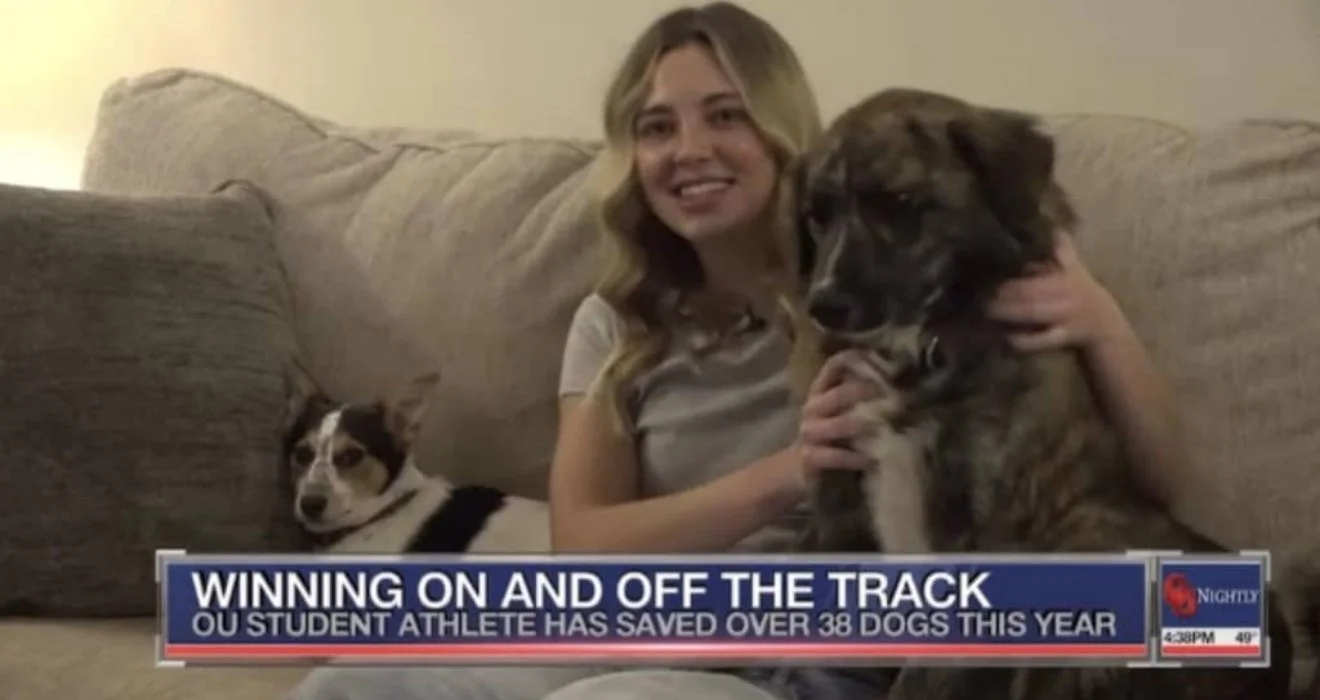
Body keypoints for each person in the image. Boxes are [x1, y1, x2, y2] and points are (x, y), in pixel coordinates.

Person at [287, 2, 1191, 699]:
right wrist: (787, 472)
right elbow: (583, 548)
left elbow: (1147, 481)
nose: (691, 150)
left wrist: (1102, 320)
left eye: (726, 116)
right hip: (647, 634)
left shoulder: (887, 284)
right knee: (347, 683)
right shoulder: (615, 328)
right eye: (656, 127)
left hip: (802, 662)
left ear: (781, 133)